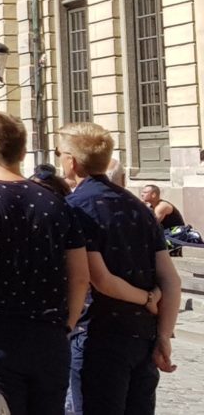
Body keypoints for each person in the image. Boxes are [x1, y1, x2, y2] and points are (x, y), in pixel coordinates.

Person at [0, 111, 87, 415]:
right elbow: (80, 276)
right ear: (23, 151)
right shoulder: (56, 202)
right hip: (49, 335)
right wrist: (68, 325)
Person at [58, 121, 180, 415]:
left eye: (60, 152)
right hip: (143, 336)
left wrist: (147, 298)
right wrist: (163, 334)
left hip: (99, 335)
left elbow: (99, 279)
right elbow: (171, 280)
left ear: (72, 161)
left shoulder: (75, 207)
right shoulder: (139, 207)